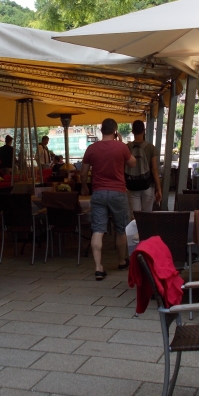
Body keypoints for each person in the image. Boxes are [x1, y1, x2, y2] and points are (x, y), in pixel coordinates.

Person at [81, 118, 136, 280]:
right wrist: (121, 142)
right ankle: (121, 261)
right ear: (115, 130)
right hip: (118, 192)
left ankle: (98, 267)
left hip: (98, 193)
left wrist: (84, 186)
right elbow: (132, 163)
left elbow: (83, 173)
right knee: (121, 229)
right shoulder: (121, 147)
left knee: (98, 229)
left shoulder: (91, 149)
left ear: (101, 130)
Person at [126, 120, 162, 212]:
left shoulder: (127, 147)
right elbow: (154, 169)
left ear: (133, 131)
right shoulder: (150, 147)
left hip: (132, 185)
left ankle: (135, 226)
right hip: (148, 185)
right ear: (144, 130)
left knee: (135, 216)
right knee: (147, 216)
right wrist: (158, 188)